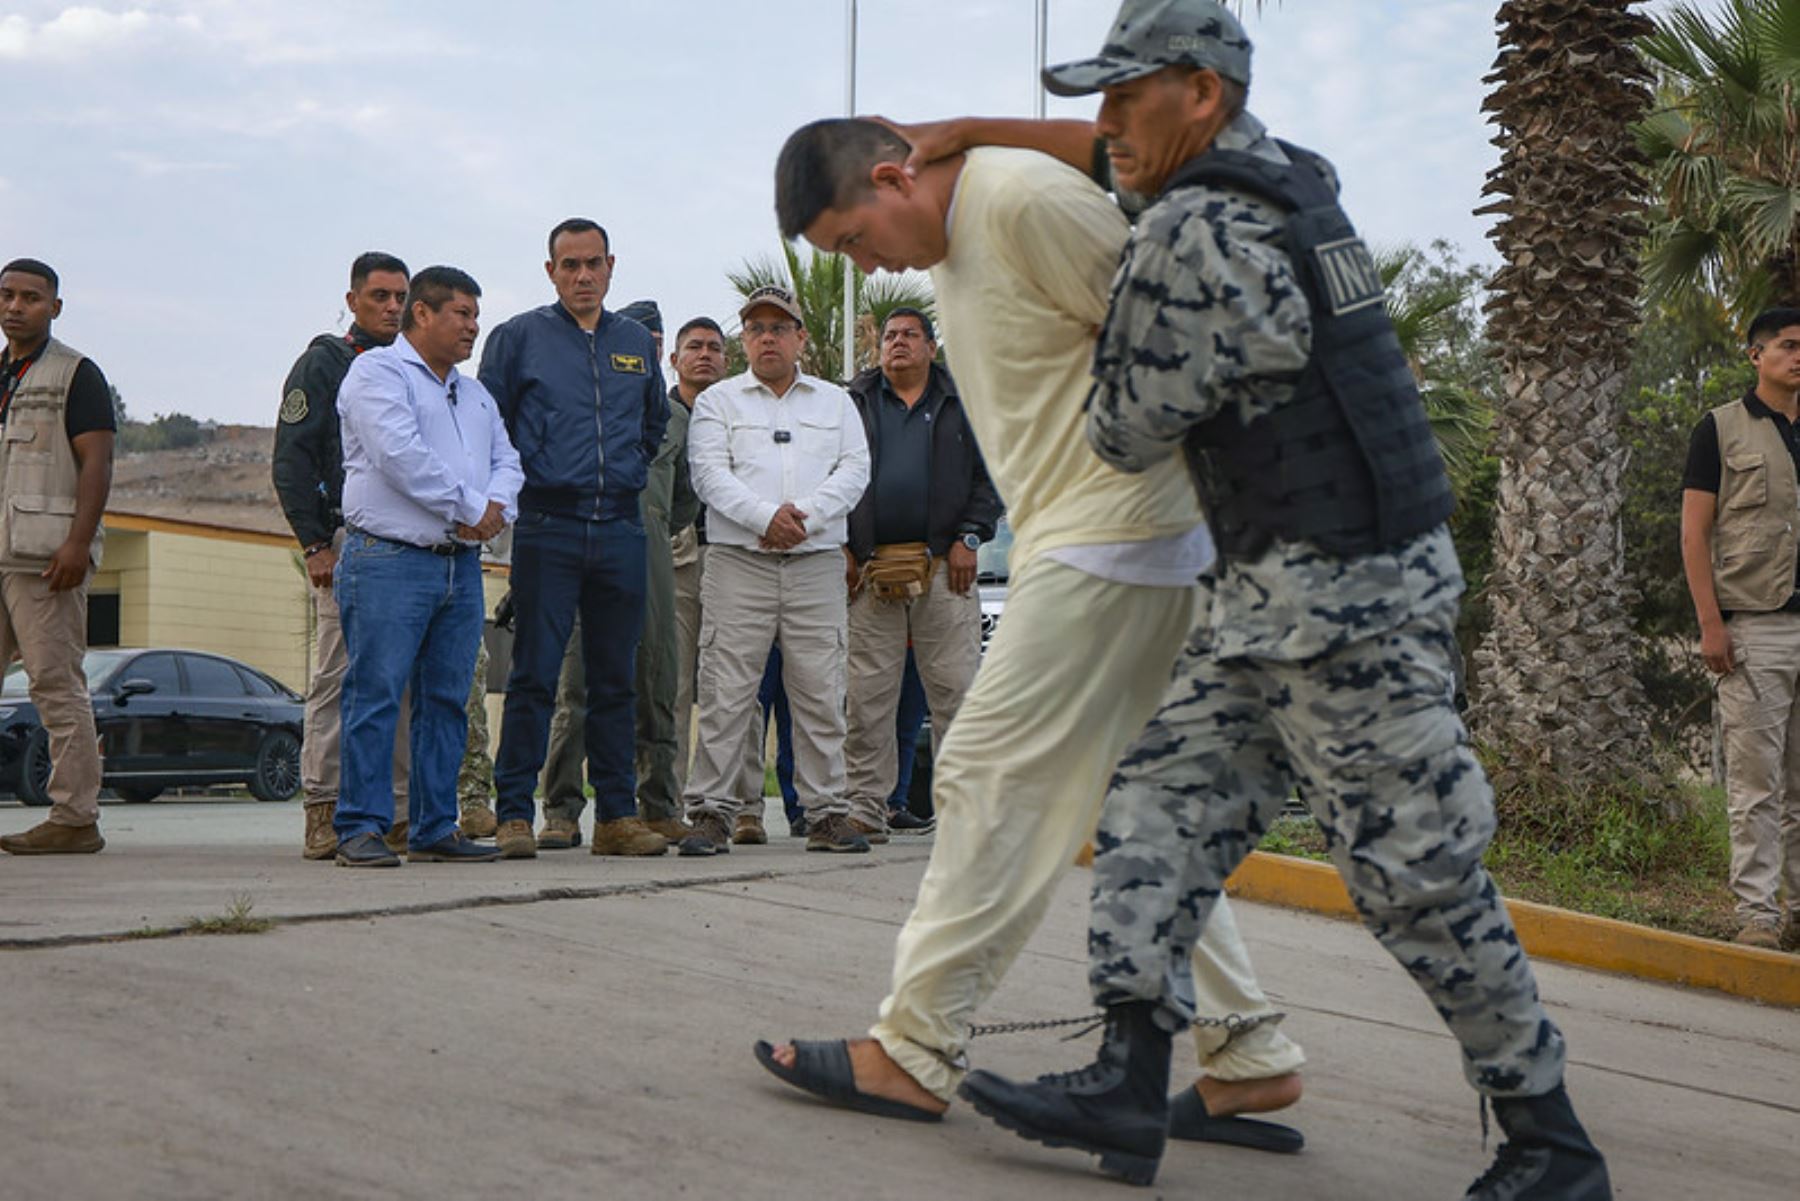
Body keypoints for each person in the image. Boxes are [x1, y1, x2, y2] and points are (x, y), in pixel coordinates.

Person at [880, 4, 1610, 1195]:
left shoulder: (1198, 232)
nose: (1102, 125)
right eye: (1097, 99)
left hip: (1351, 610)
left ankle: (1550, 1140)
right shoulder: (1283, 177)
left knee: (1415, 876)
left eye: (1126, 98)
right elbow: (1115, 170)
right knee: (1159, 809)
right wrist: (970, 126)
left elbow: (1121, 429)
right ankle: (1129, 1072)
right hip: (1268, 595)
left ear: (1201, 94)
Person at [755, 106, 1306, 1157]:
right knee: (1134, 805)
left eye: (853, 241)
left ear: (892, 177)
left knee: (983, 772)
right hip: (1097, 538)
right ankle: (1245, 1050)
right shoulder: (966, 225)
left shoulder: (1020, 202)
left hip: (1114, 539)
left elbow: (1181, 335)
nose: (865, 272)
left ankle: (913, 1050)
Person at [481, 220, 670, 860]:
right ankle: (513, 813)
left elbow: (653, 423)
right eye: (570, 265)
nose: (582, 276)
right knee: (534, 675)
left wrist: (627, 472)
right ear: (550, 270)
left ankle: (617, 817)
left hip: (619, 528)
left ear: (611, 266)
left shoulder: (634, 344)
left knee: (616, 677)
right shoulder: (517, 339)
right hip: (547, 528)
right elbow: (490, 426)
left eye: (593, 264)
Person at [332, 266, 522, 866]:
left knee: (446, 701)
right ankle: (360, 826)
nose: (473, 327)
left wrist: (495, 511)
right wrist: (471, 508)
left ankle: (435, 827)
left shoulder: (475, 394)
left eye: (474, 314)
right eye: (462, 314)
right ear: (422, 314)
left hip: (458, 568)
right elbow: (398, 455)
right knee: (376, 693)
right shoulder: (376, 373)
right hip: (389, 559)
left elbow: (508, 460)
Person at [681, 284, 871, 854]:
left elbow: (855, 469)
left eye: (779, 327)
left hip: (815, 566)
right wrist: (766, 518)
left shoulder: (835, 402)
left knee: (820, 691)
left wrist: (804, 519)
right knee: (726, 691)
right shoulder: (719, 402)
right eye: (757, 328)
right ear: (745, 339)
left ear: (800, 338)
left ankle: (826, 812)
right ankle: (712, 812)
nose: (768, 337)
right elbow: (709, 475)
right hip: (741, 563)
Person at [537, 299, 698, 849]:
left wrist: (652, 529)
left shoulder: (676, 418)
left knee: (657, 677)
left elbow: (684, 501)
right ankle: (560, 810)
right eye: (639, 346)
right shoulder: (590, 401)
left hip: (650, 550)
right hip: (590, 540)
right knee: (578, 683)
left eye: (655, 345)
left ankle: (657, 806)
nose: (646, 355)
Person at [273, 251, 418, 859]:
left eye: (400, 298)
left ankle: (402, 812)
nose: (391, 308)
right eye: (379, 296)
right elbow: (291, 460)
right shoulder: (326, 363)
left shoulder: (413, 369)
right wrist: (312, 545)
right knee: (337, 677)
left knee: (402, 683)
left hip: (405, 544)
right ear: (353, 299)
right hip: (343, 542)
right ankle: (323, 807)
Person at [843, 308, 999, 841]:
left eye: (910, 335)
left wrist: (970, 537)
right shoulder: (853, 402)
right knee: (867, 696)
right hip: (869, 570)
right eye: (889, 336)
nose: (898, 343)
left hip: (944, 569)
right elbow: (832, 471)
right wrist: (843, 545)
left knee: (955, 691)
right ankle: (866, 804)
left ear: (932, 347)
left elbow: (993, 475)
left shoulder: (966, 401)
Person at [1682, 306, 1800, 952]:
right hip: (1756, 628)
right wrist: (1710, 624)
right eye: (1787, 345)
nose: (1798, 355)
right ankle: (1759, 914)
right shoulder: (1720, 429)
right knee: (1757, 783)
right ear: (1756, 355)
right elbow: (1694, 531)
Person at [0, 259, 115, 856]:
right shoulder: (2, 373)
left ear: (55, 308)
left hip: (43, 558)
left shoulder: (76, 374)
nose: (17, 306)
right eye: (8, 295)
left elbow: (96, 462)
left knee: (55, 683)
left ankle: (75, 816)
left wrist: (77, 541)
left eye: (31, 298)